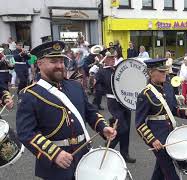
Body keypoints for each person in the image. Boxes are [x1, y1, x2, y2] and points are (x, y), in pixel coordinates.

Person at [16, 41, 117, 180]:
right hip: (56, 165)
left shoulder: (75, 86)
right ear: (40, 64)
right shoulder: (30, 95)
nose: (59, 66)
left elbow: (90, 112)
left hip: (84, 157)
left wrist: (103, 127)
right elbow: (26, 133)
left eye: (61, 61)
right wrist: (54, 153)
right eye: (53, 61)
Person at [135, 58, 187, 180]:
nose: (164, 74)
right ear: (151, 73)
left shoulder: (167, 87)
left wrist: (184, 112)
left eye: (165, 71)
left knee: (160, 170)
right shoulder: (145, 95)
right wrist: (152, 140)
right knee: (170, 172)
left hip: (171, 133)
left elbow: (171, 109)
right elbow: (139, 124)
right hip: (158, 138)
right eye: (161, 72)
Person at [98, 52, 136, 163]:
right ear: (105, 59)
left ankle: (125, 154)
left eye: (113, 58)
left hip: (125, 101)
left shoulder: (118, 69)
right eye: (110, 58)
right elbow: (96, 85)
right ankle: (108, 147)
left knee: (127, 129)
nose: (113, 59)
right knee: (122, 127)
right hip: (113, 102)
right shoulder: (102, 71)